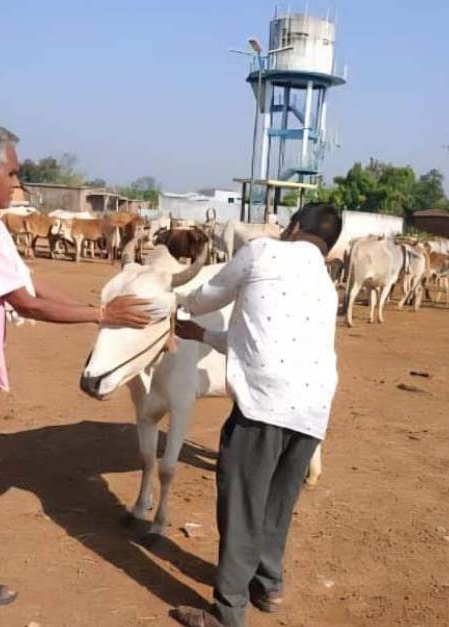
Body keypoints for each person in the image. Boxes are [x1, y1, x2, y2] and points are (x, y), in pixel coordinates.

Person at [0, 124, 154, 606]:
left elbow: (31, 280)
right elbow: (25, 303)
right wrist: (100, 315)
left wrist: (96, 311)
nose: (17, 182)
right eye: (13, 172)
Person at [169, 204, 343, 627]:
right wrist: (205, 335)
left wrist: (181, 302)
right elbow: (260, 338)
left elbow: (207, 294)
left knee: (243, 503)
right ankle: (267, 584)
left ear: (294, 227)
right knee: (278, 503)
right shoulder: (325, 281)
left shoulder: (263, 251)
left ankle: (228, 612)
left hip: (263, 404)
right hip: (313, 407)